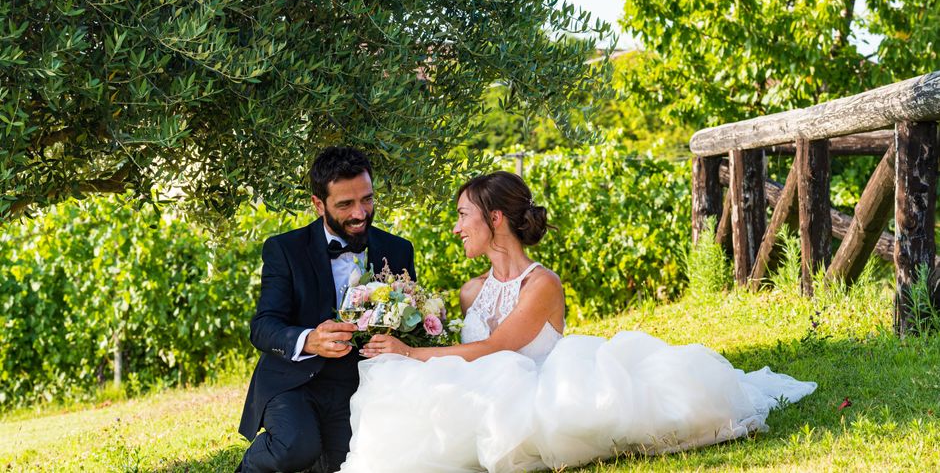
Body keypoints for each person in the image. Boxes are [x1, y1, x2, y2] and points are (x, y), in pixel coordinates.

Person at [339, 171, 816, 472]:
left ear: (496, 218)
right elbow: (471, 357)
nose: (457, 227)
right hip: (488, 388)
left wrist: (412, 352)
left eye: (464, 215)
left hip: (548, 389)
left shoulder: (541, 284)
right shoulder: (469, 292)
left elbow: (497, 349)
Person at [237, 146, 416, 473]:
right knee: (296, 447)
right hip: (295, 380)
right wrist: (309, 340)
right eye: (345, 204)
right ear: (319, 204)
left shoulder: (398, 251)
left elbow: (410, 327)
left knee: (349, 465)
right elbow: (263, 326)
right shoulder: (284, 250)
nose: (360, 213)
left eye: (367, 199)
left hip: (359, 387)